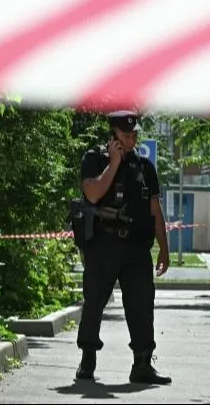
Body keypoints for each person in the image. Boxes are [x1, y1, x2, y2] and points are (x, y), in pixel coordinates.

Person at [74, 110, 172, 385]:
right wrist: (114, 163)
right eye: (127, 135)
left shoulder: (144, 168)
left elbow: (155, 209)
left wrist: (164, 248)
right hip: (103, 245)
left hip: (137, 249)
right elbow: (92, 193)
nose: (133, 139)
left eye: (134, 134)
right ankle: (88, 360)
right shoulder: (95, 160)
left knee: (142, 305)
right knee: (94, 302)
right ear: (113, 136)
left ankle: (142, 363)